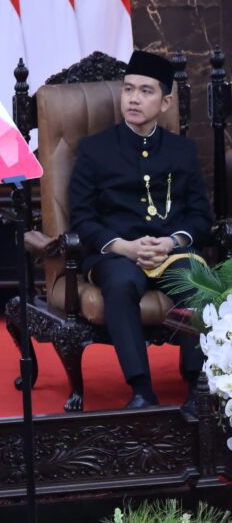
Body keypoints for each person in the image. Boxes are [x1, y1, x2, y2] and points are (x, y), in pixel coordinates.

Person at [69, 50, 212, 409]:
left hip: (170, 252)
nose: (133, 98)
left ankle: (197, 387)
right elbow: (82, 219)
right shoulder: (94, 150)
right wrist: (125, 247)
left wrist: (172, 240)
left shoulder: (182, 151)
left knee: (197, 280)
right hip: (115, 254)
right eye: (128, 89)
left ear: (165, 102)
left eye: (145, 91)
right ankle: (141, 390)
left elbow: (200, 217)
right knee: (120, 284)